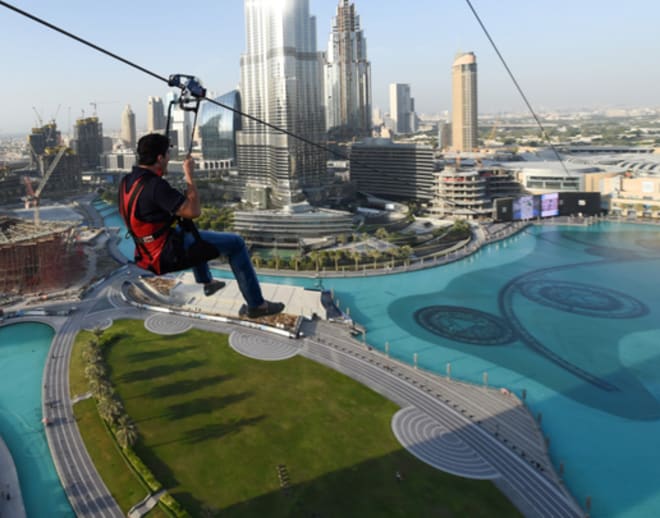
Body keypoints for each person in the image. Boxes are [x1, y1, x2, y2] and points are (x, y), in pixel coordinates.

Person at [118, 133, 284, 318]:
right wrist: (190, 176)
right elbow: (193, 211)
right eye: (167, 155)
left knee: (186, 230)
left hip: (144, 252)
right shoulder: (154, 186)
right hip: (163, 255)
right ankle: (257, 305)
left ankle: (207, 282)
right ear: (159, 158)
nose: (168, 159)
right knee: (236, 244)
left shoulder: (127, 181)